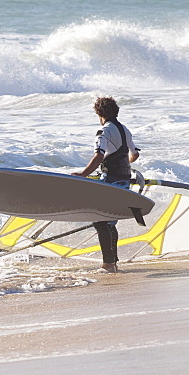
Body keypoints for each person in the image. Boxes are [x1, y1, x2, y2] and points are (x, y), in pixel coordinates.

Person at [72, 96, 140, 272]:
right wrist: (125, 165)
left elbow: (99, 155)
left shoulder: (104, 131)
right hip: (124, 180)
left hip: (111, 181)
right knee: (109, 223)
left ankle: (108, 264)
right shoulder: (125, 130)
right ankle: (113, 261)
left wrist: (83, 174)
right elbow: (134, 155)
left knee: (101, 222)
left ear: (99, 113)